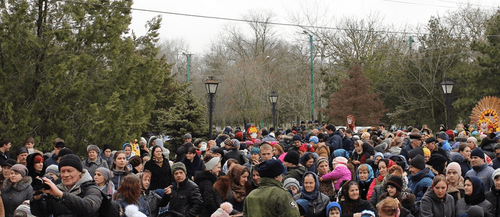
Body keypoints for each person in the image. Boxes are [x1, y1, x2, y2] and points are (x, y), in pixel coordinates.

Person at [31, 154, 103, 216]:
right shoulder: (57, 189)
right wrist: (37, 198)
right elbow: (40, 213)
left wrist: (62, 195)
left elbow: (89, 208)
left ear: (79, 172)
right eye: (62, 171)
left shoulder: (91, 188)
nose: (65, 175)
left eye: (69, 171)